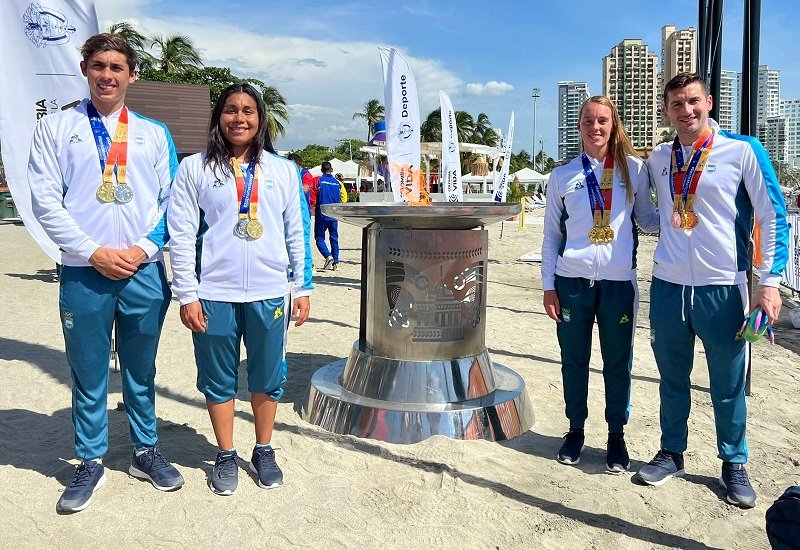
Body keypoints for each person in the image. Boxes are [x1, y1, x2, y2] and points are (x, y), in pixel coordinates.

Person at [27, 33, 183, 513]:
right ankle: (90, 460)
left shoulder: (154, 133)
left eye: (117, 67)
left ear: (132, 75)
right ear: (85, 69)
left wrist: (140, 249)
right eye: (99, 65)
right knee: (89, 371)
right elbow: (44, 200)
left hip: (142, 271)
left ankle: (144, 451)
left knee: (141, 369)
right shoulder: (55, 128)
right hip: (84, 271)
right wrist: (91, 251)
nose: (107, 75)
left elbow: (172, 202)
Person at [638, 73, 789, 508]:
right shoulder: (659, 159)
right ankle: (672, 452)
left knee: (727, 383)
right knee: (672, 377)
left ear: (708, 102)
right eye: (677, 105)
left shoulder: (742, 151)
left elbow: (773, 217)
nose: (686, 112)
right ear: (666, 113)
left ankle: (734, 462)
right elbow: (650, 216)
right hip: (667, 286)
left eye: (693, 102)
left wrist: (770, 283)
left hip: (723, 287)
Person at [167, 83, 313, 496]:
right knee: (218, 378)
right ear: (218, 117)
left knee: (267, 377)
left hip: (270, 289)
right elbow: (180, 234)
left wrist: (302, 286)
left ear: (260, 119)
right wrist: (187, 293)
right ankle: (226, 453)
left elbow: (296, 231)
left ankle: (263, 449)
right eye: (231, 110)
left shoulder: (283, 170)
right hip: (214, 291)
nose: (239, 118)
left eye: (248, 111)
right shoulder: (195, 168)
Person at [541, 96, 659, 472]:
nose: (596, 127)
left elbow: (649, 221)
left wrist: (691, 216)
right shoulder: (561, 176)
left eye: (603, 121)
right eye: (589, 121)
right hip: (572, 282)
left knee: (618, 363)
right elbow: (550, 238)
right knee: (573, 361)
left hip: (618, 284)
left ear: (613, 125)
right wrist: (548, 286)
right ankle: (575, 430)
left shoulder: (634, 170)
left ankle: (615, 435)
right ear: (579, 127)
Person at [314, 160, 347, 270]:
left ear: (321, 170)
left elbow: (313, 197)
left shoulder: (319, 181)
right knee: (334, 238)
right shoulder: (338, 183)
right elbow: (344, 198)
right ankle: (336, 263)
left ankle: (328, 256)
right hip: (334, 213)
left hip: (322, 213)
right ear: (331, 169)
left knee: (319, 238)